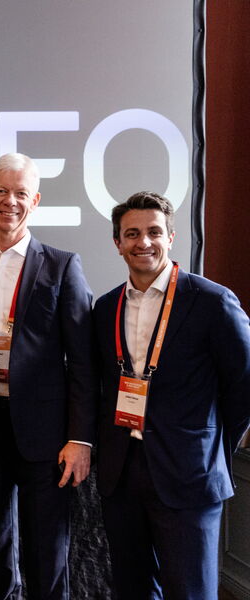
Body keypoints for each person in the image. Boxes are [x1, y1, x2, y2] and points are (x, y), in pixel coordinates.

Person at [0, 153, 97, 599]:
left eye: (20, 193)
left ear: (35, 201)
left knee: (46, 549)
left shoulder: (62, 265)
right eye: (1, 191)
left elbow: (83, 361)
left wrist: (80, 438)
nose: (9, 201)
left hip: (45, 433)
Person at [94, 191, 250, 599]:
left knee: (190, 591)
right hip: (121, 473)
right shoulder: (105, 308)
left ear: (171, 237)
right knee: (132, 588)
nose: (143, 242)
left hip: (189, 475)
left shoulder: (213, 302)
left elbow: (243, 388)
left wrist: (210, 447)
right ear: (118, 243)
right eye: (132, 234)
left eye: (153, 232)